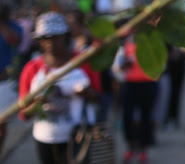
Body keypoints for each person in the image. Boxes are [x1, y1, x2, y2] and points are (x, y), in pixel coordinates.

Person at [19, 12, 101, 164]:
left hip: (78, 137)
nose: (50, 43)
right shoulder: (32, 68)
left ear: (66, 36)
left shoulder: (82, 62)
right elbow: (23, 113)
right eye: (45, 38)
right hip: (45, 138)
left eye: (55, 37)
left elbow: (98, 96)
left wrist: (86, 93)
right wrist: (36, 105)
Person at [112, 26, 158, 164]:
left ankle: (143, 149)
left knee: (146, 116)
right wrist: (123, 65)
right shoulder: (125, 44)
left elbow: (160, 63)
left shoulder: (151, 42)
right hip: (130, 84)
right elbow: (117, 66)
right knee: (127, 116)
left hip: (148, 83)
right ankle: (130, 147)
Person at [0, 4, 23, 158]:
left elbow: (14, 40)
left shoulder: (15, 27)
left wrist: (2, 24)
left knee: (2, 125)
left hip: (5, 83)